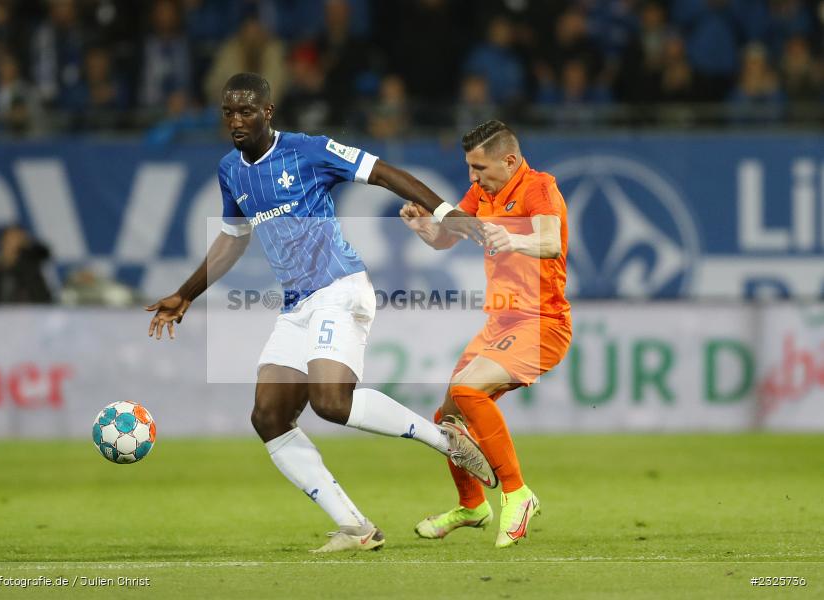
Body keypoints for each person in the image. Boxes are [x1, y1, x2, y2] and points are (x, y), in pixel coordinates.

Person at [146, 72, 494, 553]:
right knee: (268, 416)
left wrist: (444, 210)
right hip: (296, 304)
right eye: (228, 112)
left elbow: (386, 172)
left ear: (268, 112)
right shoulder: (232, 169)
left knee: (331, 402)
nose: (236, 120)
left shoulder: (308, 150)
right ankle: (355, 527)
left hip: (339, 287)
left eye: (246, 111)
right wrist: (186, 293)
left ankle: (445, 440)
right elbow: (233, 237)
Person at [399, 120, 572, 548]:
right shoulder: (483, 193)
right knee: (447, 419)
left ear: (509, 160)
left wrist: (512, 239)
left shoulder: (539, 187)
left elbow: (551, 242)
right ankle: (473, 505)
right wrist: (425, 229)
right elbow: (447, 240)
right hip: (500, 323)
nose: (473, 178)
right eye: (469, 168)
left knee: (468, 390)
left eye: (480, 168)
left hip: (542, 323)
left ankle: (518, 493)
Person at [0, 225, 53, 304]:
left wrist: (25, 256)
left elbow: (44, 300)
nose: (15, 244)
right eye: (10, 241)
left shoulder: (31, 271)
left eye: (20, 240)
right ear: (2, 243)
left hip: (34, 314)